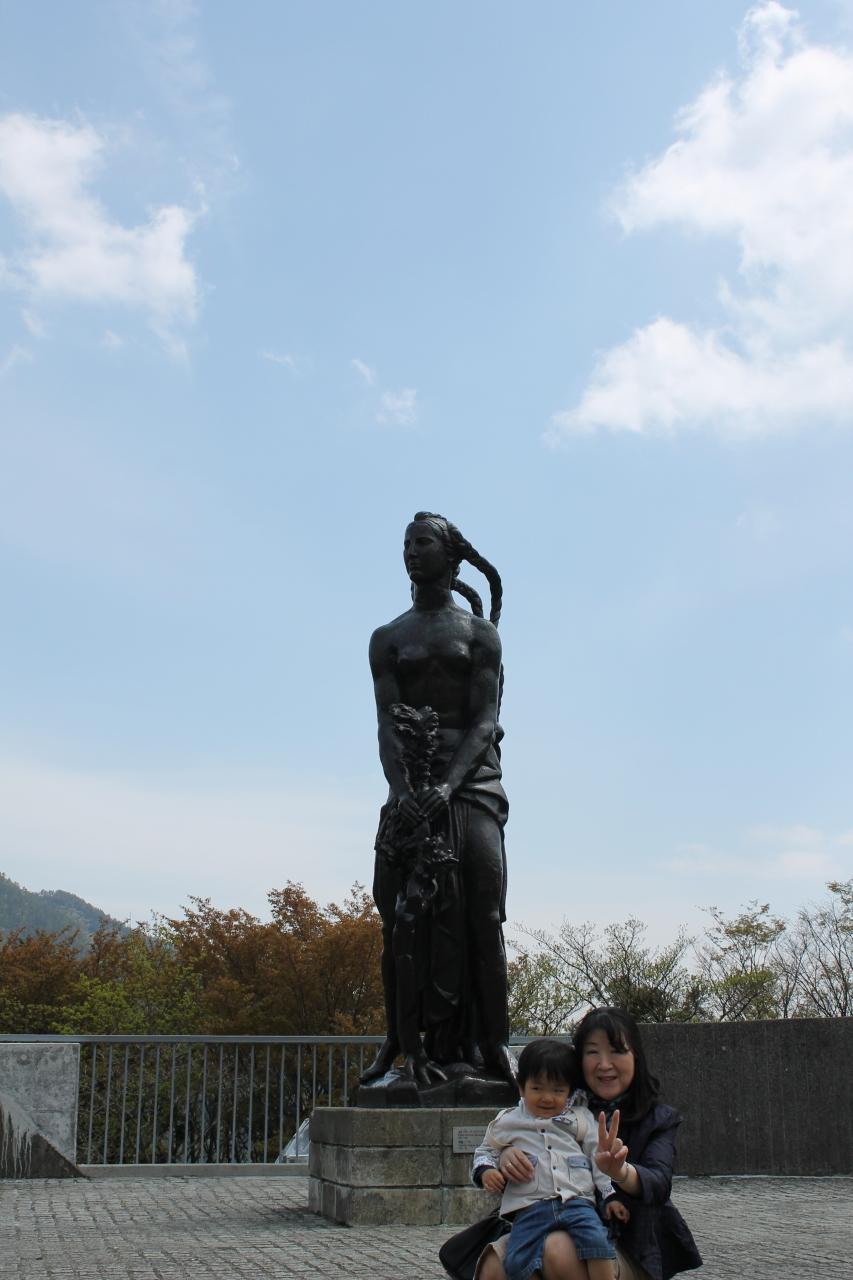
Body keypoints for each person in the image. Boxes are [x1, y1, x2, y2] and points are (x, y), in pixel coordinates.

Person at [361, 512, 514, 1087]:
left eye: (422, 542)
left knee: (484, 912)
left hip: (472, 785)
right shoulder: (387, 638)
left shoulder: (479, 636)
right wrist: (404, 791)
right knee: (397, 918)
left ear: (450, 556)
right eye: (406, 543)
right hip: (410, 788)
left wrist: (448, 786)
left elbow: (484, 722)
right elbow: (386, 723)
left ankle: (494, 1043)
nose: (411, 551)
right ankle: (399, 1040)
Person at [444, 1007, 701, 1280]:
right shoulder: (558, 1104)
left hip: (626, 1240)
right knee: (494, 1267)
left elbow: (658, 1182)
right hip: (543, 1216)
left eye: (616, 1051)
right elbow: (506, 1140)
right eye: (593, 1052)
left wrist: (620, 1171)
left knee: (558, 1250)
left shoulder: (657, 1118)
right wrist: (506, 1154)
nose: (604, 1064)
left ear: (635, 1055)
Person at [472, 1038, 628, 1280]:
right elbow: (485, 1151)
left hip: (577, 1202)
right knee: (516, 1261)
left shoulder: (579, 1118)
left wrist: (610, 1195)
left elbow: (598, 1158)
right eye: (537, 1089)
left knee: (597, 1242)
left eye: (557, 1090)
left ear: (570, 1092)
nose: (547, 1098)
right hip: (529, 1208)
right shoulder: (508, 1120)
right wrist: (486, 1171)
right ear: (521, 1087)